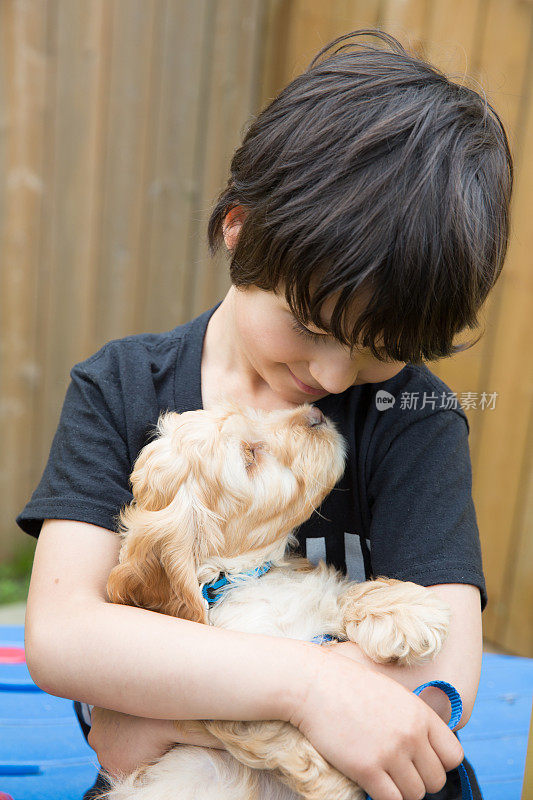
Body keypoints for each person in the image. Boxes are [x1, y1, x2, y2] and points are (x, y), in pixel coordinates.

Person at [17, 29, 512, 800]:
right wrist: (310, 687)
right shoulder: (120, 387)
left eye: (376, 347)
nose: (331, 374)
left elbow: (441, 674)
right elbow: (64, 636)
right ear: (238, 230)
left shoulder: (410, 412)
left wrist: (165, 706)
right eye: (311, 327)